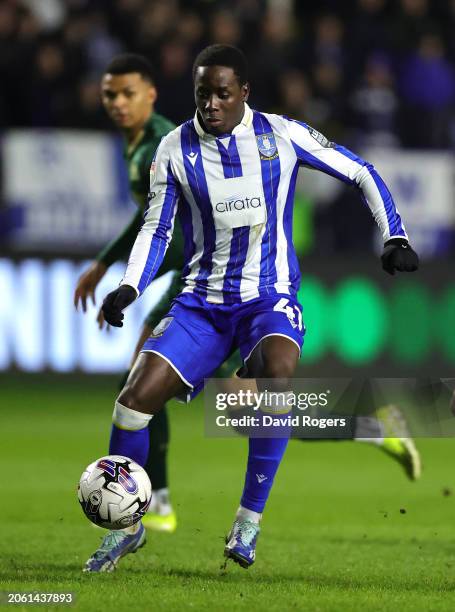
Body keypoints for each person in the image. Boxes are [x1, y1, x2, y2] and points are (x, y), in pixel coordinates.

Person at [84, 44, 419, 572]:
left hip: (269, 297)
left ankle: (247, 521)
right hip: (202, 303)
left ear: (244, 92)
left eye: (223, 93)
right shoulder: (173, 149)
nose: (212, 104)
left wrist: (394, 236)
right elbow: (157, 226)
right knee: (132, 403)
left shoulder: (282, 135)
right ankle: (125, 528)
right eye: (202, 93)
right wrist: (130, 286)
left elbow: (361, 172)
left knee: (275, 379)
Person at [74, 53, 182, 533]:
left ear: (151, 94)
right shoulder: (139, 143)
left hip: (210, 278)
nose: (117, 103)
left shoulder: (159, 147)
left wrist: (123, 278)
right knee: (244, 405)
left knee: (245, 405)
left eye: (127, 94)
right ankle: (156, 499)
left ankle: (156, 498)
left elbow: (172, 232)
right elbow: (150, 221)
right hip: (194, 275)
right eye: (109, 95)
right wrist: (107, 263)